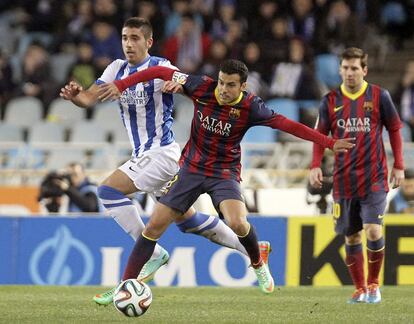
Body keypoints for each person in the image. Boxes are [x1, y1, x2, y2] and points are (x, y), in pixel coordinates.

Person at [97, 59, 355, 294]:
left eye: (230, 85)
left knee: (238, 223)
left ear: (243, 85)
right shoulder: (201, 87)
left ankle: (257, 262)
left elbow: (288, 125)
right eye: (221, 82)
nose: (223, 89)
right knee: (153, 226)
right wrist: (121, 85)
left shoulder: (251, 106)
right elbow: (158, 71)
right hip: (190, 169)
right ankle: (124, 286)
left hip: (223, 172)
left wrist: (328, 143)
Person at [59, 17, 266, 305]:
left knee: (107, 190)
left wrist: (176, 86)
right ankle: (253, 250)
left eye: (134, 38)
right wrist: (76, 98)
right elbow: (90, 98)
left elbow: (189, 86)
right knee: (188, 221)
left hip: (161, 153)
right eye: (124, 38)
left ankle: (153, 254)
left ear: (148, 42)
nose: (128, 44)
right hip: (147, 156)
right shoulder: (115, 68)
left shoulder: (162, 67)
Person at [309, 47, 405, 304]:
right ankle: (360, 288)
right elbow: (319, 136)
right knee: (351, 235)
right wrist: (315, 165)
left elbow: (395, 129)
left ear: (364, 70)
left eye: (355, 68)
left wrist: (399, 165)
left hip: (374, 177)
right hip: (343, 180)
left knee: (373, 230)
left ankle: (374, 285)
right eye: (346, 68)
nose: (349, 73)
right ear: (340, 69)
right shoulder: (329, 101)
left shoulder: (379, 96)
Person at [38, 162, 103, 213]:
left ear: (83, 174)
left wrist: (68, 189)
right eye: (69, 175)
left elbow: (89, 207)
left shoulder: (90, 188)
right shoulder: (68, 191)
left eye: (75, 174)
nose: (72, 178)